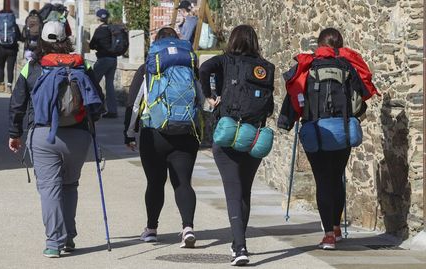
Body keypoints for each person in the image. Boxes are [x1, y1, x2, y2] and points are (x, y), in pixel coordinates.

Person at [8, 20, 104, 258]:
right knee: (70, 185)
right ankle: (69, 238)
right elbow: (98, 101)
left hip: (43, 135)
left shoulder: (32, 66)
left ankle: (54, 242)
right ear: (66, 39)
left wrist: (14, 133)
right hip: (79, 135)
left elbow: (17, 103)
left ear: (41, 39)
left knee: (50, 189)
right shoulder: (83, 66)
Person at [278, 28, 378, 250]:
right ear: (339, 46)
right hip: (342, 130)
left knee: (323, 180)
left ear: (319, 45)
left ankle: (328, 236)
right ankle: (335, 227)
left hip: (315, 131)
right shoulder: (348, 66)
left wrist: (286, 122)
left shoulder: (307, 67)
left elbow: (293, 95)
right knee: (336, 176)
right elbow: (361, 99)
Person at [199, 25, 275, 266]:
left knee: (232, 190)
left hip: (227, 132)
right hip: (253, 136)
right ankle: (238, 244)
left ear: (233, 40)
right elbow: (270, 107)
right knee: (245, 192)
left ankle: (240, 247)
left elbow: (202, 68)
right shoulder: (264, 67)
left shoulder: (224, 60)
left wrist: (210, 95)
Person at [124, 27, 200, 248]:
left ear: (156, 44)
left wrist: (129, 134)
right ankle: (187, 228)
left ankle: (151, 229)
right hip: (186, 132)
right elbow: (202, 99)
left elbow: (134, 104)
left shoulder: (148, 68)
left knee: (155, 182)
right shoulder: (190, 66)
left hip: (154, 132)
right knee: (183, 182)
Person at [89, 9, 125, 119]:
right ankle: (112, 111)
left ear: (98, 18)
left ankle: (95, 108)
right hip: (113, 59)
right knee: (110, 86)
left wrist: (97, 46)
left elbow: (91, 45)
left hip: (103, 59)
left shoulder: (99, 30)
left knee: (92, 83)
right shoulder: (112, 29)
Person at [0, 3, 23, 93]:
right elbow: (19, 36)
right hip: (12, 49)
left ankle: (1, 85)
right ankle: (9, 86)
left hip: (1, 48)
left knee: (0, 67)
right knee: (10, 68)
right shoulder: (13, 24)